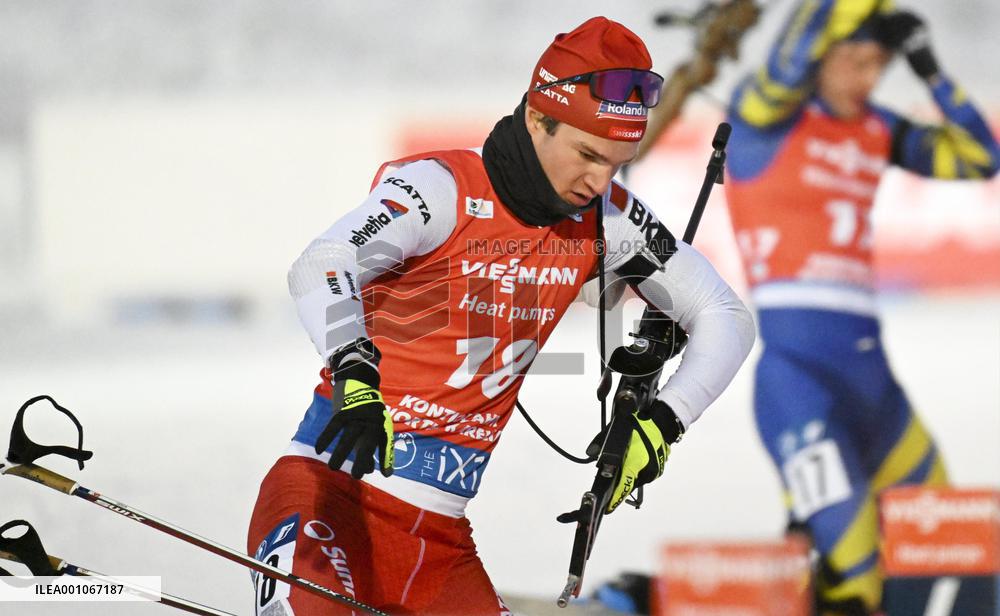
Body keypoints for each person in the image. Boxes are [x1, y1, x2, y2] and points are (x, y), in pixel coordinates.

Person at [246, 16, 755, 615]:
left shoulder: (605, 219)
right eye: (589, 154)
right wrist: (355, 373)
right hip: (330, 502)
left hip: (440, 545)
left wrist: (660, 424)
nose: (599, 181)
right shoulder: (440, 189)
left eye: (618, 163)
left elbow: (725, 315)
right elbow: (323, 264)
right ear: (539, 118)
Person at [724, 1, 999, 614]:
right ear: (821, 55)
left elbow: (983, 159)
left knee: (953, 552)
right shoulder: (761, 117)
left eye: (879, 65)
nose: (868, 79)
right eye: (856, 61)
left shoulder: (877, 128)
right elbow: (790, 51)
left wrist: (928, 67)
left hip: (878, 392)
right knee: (858, 580)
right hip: (800, 387)